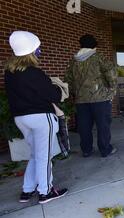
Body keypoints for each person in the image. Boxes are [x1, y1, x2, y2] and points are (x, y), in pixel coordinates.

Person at [5, 31, 68, 204]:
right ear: (32, 51)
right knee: (44, 157)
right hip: (41, 118)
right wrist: (56, 86)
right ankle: (45, 192)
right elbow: (53, 95)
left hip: (21, 118)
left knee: (35, 154)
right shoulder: (34, 72)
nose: (39, 51)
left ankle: (27, 190)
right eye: (37, 48)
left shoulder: (10, 73)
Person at [65, 34, 117, 158]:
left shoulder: (74, 61)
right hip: (100, 98)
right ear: (94, 45)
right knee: (103, 125)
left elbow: (68, 80)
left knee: (84, 126)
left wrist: (75, 94)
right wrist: (111, 92)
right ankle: (105, 149)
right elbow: (111, 74)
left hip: (80, 100)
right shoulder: (99, 57)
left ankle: (86, 150)